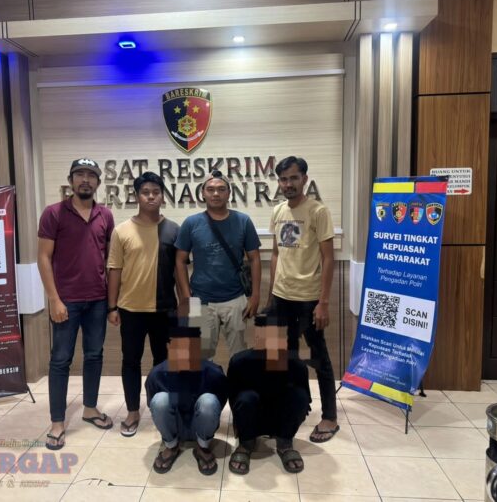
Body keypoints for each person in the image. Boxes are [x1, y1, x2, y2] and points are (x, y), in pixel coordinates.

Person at [37, 158, 115, 451]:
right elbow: (43, 257)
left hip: (97, 299)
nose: (85, 180)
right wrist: (54, 299)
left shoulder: (105, 215)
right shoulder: (54, 213)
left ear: (98, 182)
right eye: (79, 174)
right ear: (70, 180)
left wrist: (111, 302)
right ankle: (57, 422)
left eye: (91, 175)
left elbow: (110, 258)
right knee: (60, 360)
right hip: (66, 300)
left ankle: (90, 408)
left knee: (94, 355)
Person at [266, 155, 339, 444]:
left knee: (319, 357)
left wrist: (324, 302)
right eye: (284, 179)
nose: (288, 184)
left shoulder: (318, 211)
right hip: (281, 297)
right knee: (284, 357)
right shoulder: (278, 211)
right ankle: (296, 406)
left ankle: (330, 416)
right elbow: (276, 253)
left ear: (304, 179)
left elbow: (328, 258)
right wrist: (271, 295)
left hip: (309, 298)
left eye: (294, 178)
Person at [107, 171, 180, 437]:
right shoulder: (122, 231)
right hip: (131, 310)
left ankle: (162, 410)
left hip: (165, 309)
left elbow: (181, 272)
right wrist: (112, 307)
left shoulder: (174, 230)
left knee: (164, 362)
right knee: (131, 362)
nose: (151, 196)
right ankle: (132, 412)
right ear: (136, 196)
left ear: (162, 196)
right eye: (145, 192)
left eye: (156, 192)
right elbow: (114, 269)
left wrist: (188, 306)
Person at [175, 170, 262, 360]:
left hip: (235, 299)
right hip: (201, 300)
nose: (216, 193)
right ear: (203, 193)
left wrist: (255, 296)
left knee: (239, 356)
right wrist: (186, 297)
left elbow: (255, 258)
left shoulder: (243, 221)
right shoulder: (191, 223)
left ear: (229, 193)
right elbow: (180, 260)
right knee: (202, 356)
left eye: (221, 189)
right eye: (211, 189)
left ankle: (236, 381)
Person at [146, 304, 227, 476]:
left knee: (209, 401)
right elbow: (153, 406)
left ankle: (202, 448)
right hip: (175, 424)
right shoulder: (157, 374)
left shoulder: (213, 372)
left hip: (202, 425)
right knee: (159, 400)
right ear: (169, 346)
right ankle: (171, 446)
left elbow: (219, 403)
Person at [227, 314, 311, 475]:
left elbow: (305, 402)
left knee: (299, 396)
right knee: (245, 398)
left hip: (281, 418)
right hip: (251, 415)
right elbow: (233, 399)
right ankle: (246, 443)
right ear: (257, 336)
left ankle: (285, 443)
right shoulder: (239, 362)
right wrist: (240, 426)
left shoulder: (296, 364)